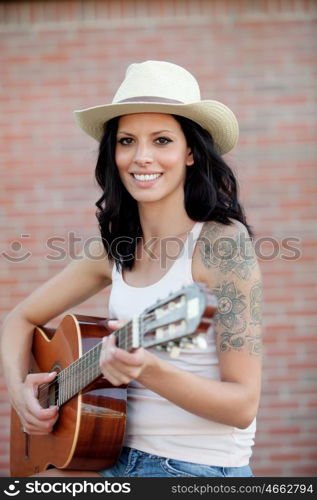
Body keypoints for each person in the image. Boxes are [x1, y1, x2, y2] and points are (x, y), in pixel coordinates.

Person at [1, 60, 263, 478]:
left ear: (190, 152)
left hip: (192, 469)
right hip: (110, 457)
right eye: (127, 141)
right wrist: (21, 396)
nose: (142, 157)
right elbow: (19, 320)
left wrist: (149, 369)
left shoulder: (221, 244)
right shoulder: (114, 248)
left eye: (161, 140)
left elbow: (243, 405)